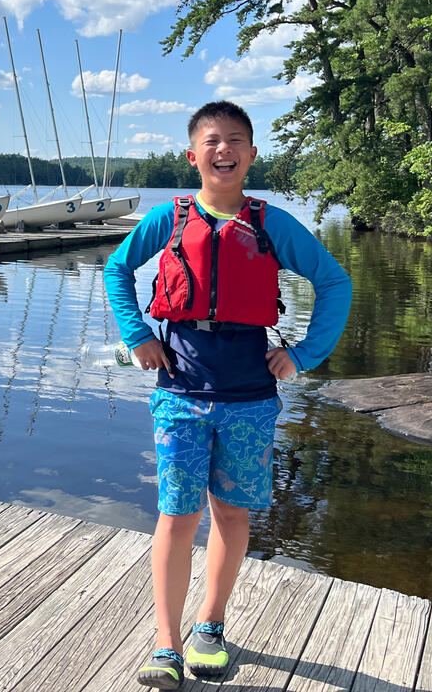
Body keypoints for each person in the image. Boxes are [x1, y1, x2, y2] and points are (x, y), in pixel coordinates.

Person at [103, 100, 351, 689]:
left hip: (249, 393)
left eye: (235, 140)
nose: (224, 150)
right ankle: (166, 643)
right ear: (194, 156)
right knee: (176, 514)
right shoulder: (169, 217)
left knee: (232, 512)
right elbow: (117, 270)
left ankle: (209, 626)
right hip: (180, 392)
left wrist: (301, 355)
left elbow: (334, 281)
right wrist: (138, 336)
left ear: (251, 156)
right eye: (212, 141)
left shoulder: (273, 223)